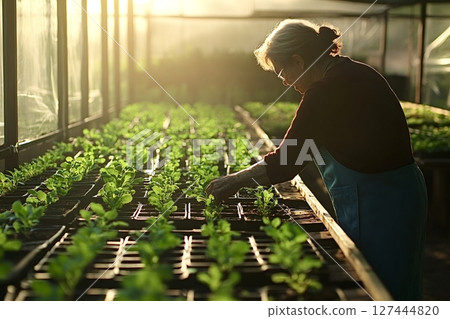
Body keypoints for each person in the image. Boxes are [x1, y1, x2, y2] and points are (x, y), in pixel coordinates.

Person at [205, 19, 427, 301]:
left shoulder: (326, 91)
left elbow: (287, 161)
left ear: (298, 60)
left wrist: (235, 180)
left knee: (380, 291)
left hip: (379, 202)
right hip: (398, 192)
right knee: (398, 288)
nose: (284, 81)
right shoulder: (353, 72)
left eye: (282, 71)